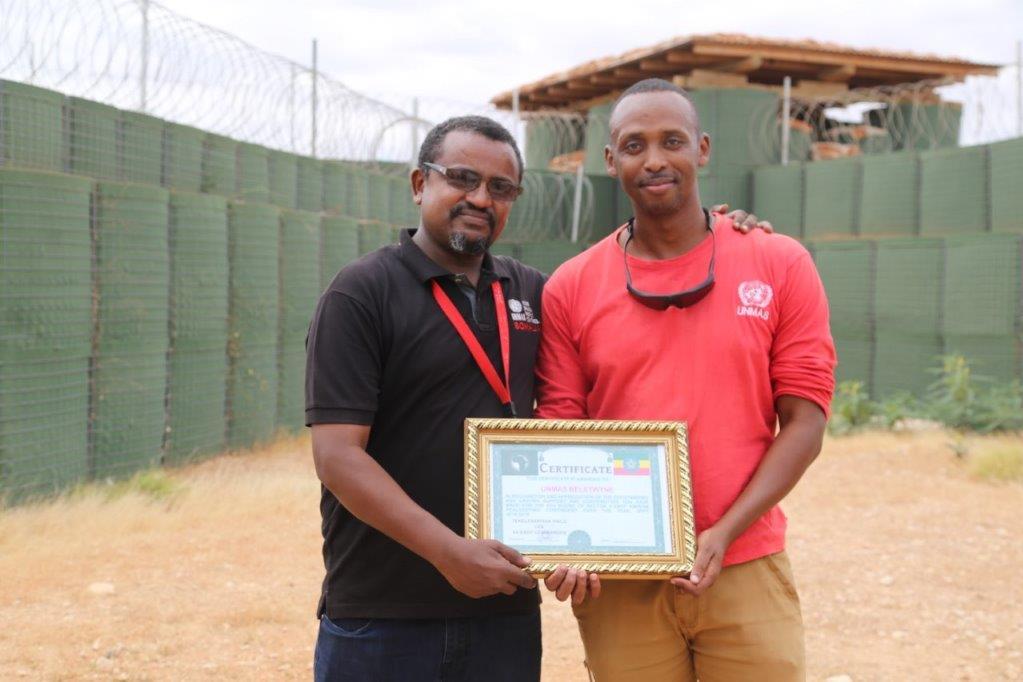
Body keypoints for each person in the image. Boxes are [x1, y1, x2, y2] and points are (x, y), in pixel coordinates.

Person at [305, 112, 769, 681]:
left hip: (503, 608)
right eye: (462, 178)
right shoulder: (361, 293)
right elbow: (337, 456)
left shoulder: (532, 290)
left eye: (501, 188)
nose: (481, 198)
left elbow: (611, 331)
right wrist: (449, 552)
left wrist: (715, 230)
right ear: (420, 183)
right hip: (384, 611)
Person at [536, 78, 836, 681]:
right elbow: (560, 430)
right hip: (621, 576)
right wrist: (566, 542)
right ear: (610, 160)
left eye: (671, 141)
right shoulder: (571, 285)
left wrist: (724, 533)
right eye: (634, 145)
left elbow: (806, 421)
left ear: (701, 148)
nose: (654, 159)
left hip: (745, 560)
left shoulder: (779, 262)